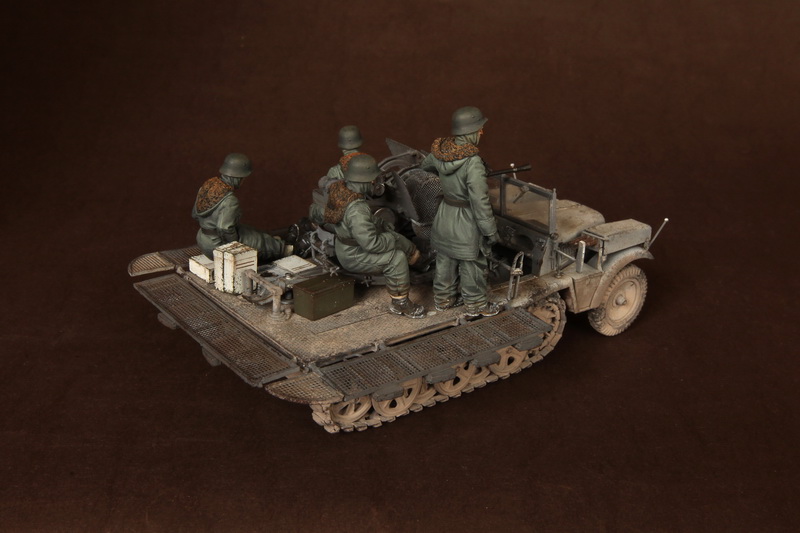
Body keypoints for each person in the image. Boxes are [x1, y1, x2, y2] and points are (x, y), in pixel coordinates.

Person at [420, 106, 501, 317]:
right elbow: (479, 200)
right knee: (473, 262)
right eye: (479, 129)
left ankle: (443, 299)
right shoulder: (473, 162)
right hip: (466, 220)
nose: (481, 132)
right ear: (470, 132)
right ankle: (476, 305)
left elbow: (425, 166)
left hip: (445, 214)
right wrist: (490, 230)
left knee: (445, 259)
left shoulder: (440, 152)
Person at [324, 154, 426, 318]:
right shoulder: (357, 209)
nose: (375, 183)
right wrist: (394, 238)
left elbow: (363, 222)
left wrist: (381, 224)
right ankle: (400, 304)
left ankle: (417, 260)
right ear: (363, 181)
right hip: (354, 255)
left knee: (393, 238)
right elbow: (372, 244)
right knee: (396, 258)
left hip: (346, 246)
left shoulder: (343, 192)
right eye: (372, 180)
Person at [192, 153, 289, 262]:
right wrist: (236, 247)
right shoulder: (230, 200)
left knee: (251, 231)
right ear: (237, 179)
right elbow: (224, 228)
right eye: (242, 179)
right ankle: (283, 249)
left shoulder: (205, 188)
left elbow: (195, 214)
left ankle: (270, 240)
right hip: (217, 246)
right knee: (261, 242)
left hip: (202, 239)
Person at [310, 125, 368, 224]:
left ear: (342, 147)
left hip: (346, 219)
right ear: (359, 144)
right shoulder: (370, 165)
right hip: (363, 214)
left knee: (314, 210)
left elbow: (331, 203)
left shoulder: (334, 171)